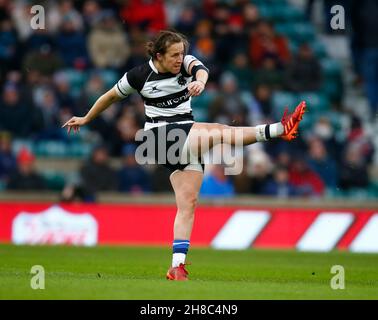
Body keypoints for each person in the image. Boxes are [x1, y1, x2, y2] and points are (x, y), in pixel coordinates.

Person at [63, 30, 306, 281]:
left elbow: (201, 70)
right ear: (158, 55)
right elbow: (110, 96)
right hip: (158, 138)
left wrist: (200, 81)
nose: (180, 59)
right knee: (219, 132)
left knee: (187, 204)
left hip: (184, 138)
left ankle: (177, 266)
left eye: (182, 53)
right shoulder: (138, 75)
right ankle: (279, 129)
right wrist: (86, 118)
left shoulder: (185, 64)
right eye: (174, 55)